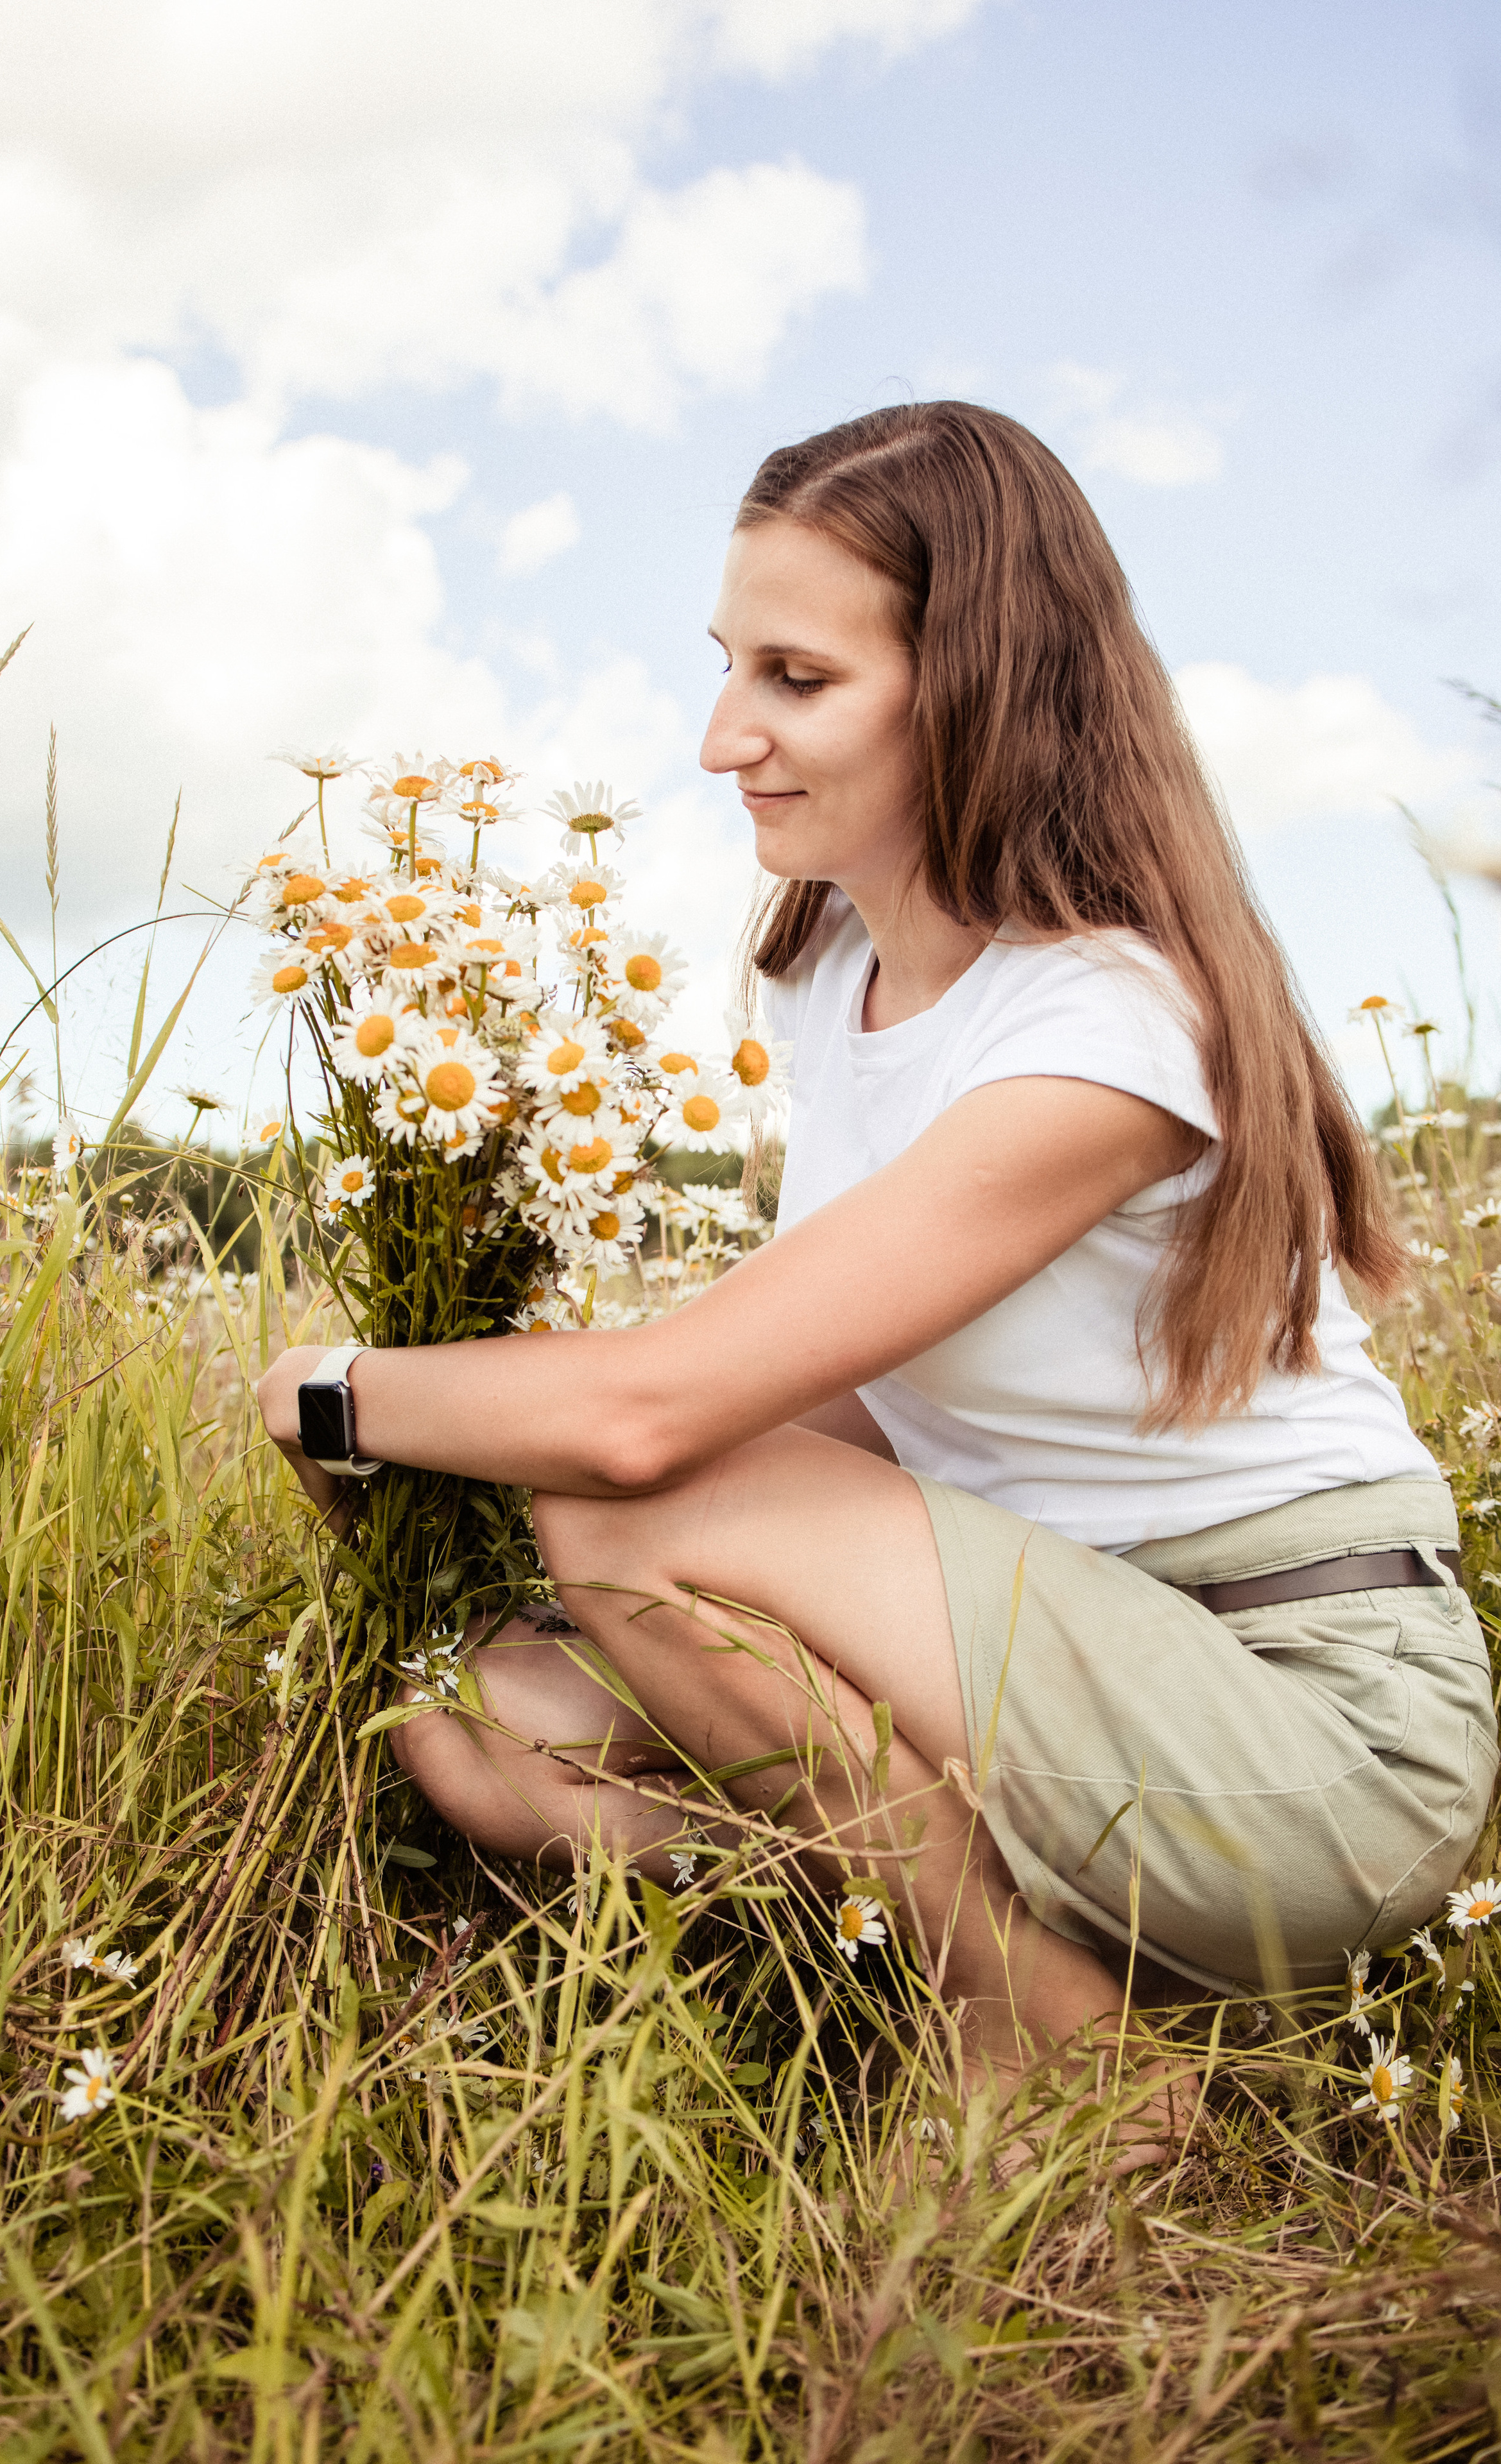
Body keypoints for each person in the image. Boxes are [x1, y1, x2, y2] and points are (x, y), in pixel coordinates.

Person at [255, 402, 1497, 2105]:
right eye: (727, 667)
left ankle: (1046, 2045)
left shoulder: (1109, 1028)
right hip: (1070, 1664)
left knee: (634, 1498)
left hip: (1307, 1729)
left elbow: (646, 1428)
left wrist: (337, 1394)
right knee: (488, 1724)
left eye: (796, 678)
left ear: (977, 684)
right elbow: (853, 1413)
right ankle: (1100, 1988)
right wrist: (514, 1497)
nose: (721, 737)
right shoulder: (829, 979)